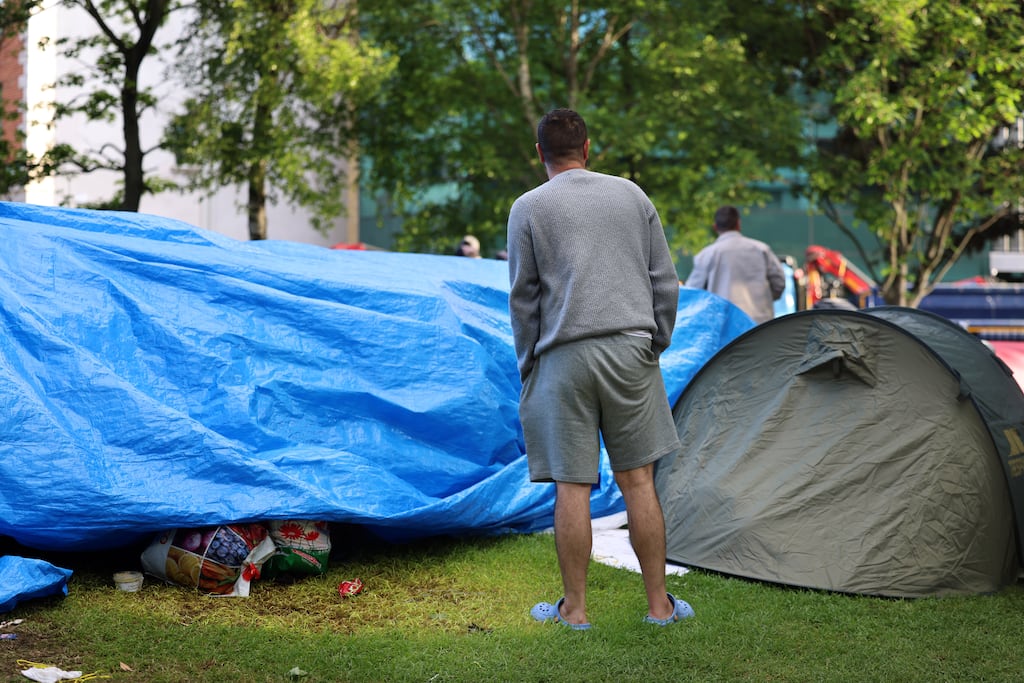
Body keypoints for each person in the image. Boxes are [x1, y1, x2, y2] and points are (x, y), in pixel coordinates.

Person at [507, 108, 694, 629]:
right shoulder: (632, 195)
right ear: (588, 150)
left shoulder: (527, 208)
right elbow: (666, 280)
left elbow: (524, 299)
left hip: (562, 357)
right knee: (638, 482)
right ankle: (660, 607)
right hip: (631, 350)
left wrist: (530, 365)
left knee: (572, 486)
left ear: (540, 154)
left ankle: (577, 612)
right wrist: (654, 341)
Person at [684, 206, 786, 324]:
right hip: (759, 324)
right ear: (738, 224)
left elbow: (693, 292)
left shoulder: (706, 255)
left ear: (715, 227)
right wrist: (765, 300)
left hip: (722, 325)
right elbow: (779, 283)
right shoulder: (761, 249)